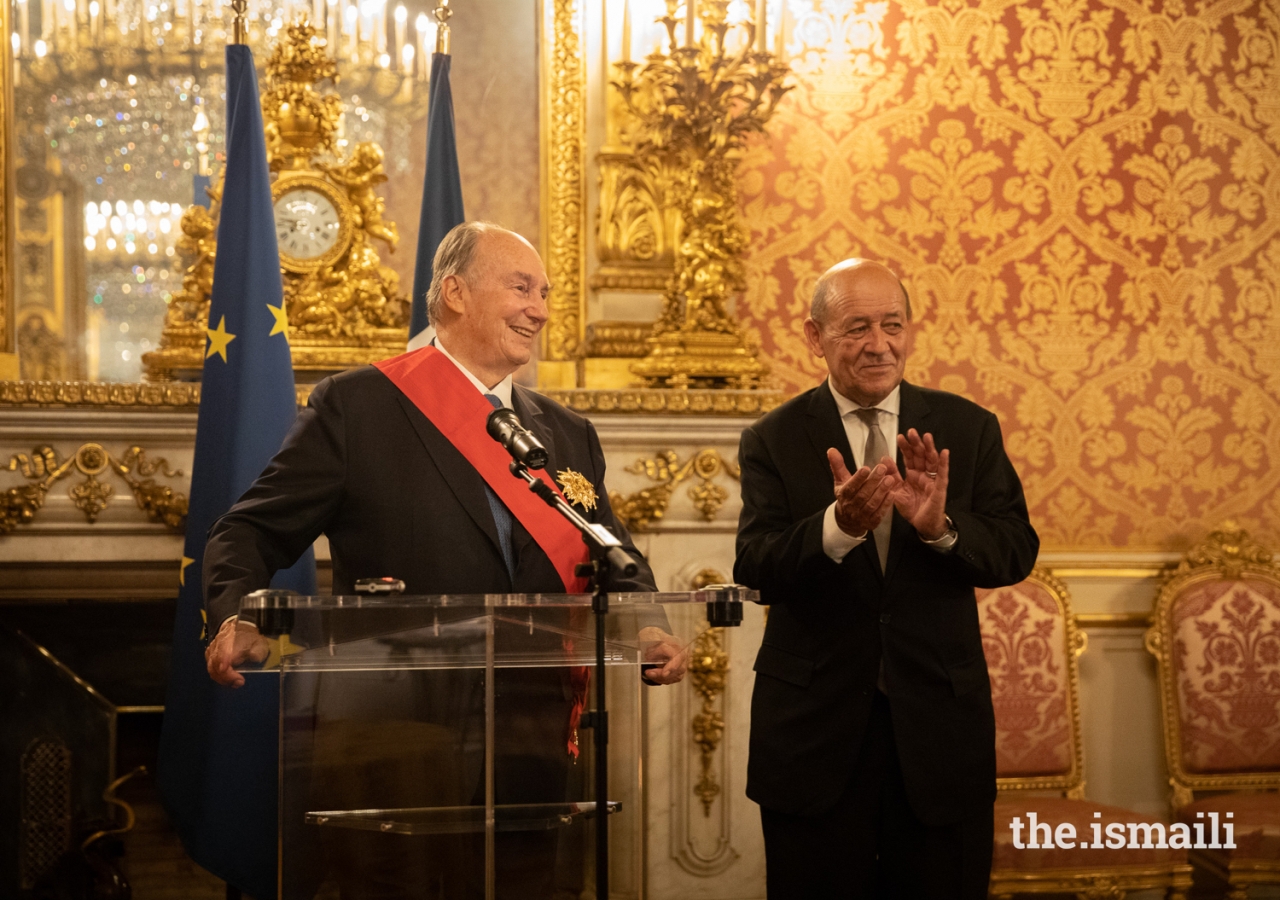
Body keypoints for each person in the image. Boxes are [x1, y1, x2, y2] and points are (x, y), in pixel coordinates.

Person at [202, 221, 686, 899]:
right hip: (396, 737)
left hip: (532, 737)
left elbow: (617, 556)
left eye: (544, 292)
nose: (540, 309)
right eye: (521, 287)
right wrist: (233, 615)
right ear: (455, 293)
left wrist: (649, 625)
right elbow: (247, 532)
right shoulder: (359, 407)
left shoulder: (567, 433)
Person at [733, 259, 1038, 899]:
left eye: (892, 325)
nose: (880, 344)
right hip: (813, 739)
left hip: (938, 735)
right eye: (857, 328)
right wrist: (837, 528)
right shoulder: (774, 437)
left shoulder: (968, 427)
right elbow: (756, 569)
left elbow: (1015, 552)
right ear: (815, 337)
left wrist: (941, 527)